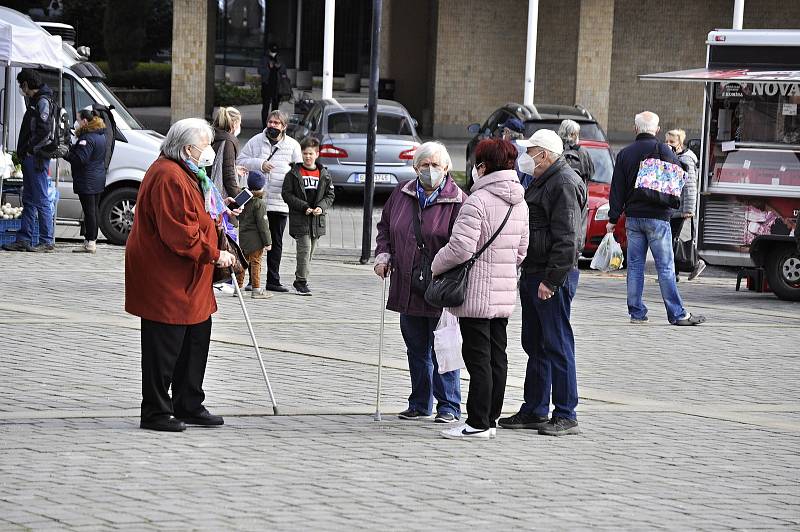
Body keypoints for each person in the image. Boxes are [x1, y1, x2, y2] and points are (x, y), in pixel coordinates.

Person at [125, 118, 236, 432]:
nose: (208, 153)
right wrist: (216, 254)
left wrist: (221, 210)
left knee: (196, 338)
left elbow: (197, 211)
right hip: (168, 277)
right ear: (188, 148)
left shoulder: (187, 171)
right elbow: (179, 234)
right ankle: (156, 411)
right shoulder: (168, 176)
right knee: (165, 346)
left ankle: (188, 402)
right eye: (204, 147)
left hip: (191, 279)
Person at [432, 139, 529, 440]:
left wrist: (436, 264)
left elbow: (461, 248)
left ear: (483, 166)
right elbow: (521, 251)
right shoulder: (520, 202)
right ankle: (491, 418)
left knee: (477, 358)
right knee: (497, 355)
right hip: (503, 292)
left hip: (475, 292)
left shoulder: (478, 201)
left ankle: (476, 423)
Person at [498, 129, 587, 437]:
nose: (527, 157)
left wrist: (552, 280)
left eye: (532, 151)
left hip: (551, 275)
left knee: (557, 344)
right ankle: (535, 409)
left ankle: (566, 412)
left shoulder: (563, 182)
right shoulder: (544, 179)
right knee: (535, 343)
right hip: (535, 271)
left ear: (546, 154)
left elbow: (568, 238)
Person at [374, 141, 465, 424]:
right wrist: (383, 254)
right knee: (416, 347)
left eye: (435, 165)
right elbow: (385, 228)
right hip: (407, 283)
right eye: (424, 165)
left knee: (444, 347)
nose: (430, 170)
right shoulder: (402, 193)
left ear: (447, 167)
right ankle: (419, 402)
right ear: (415, 167)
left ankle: (449, 405)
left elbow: (463, 242)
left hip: (441, 287)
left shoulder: (459, 199)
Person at [606, 111, 706, 327]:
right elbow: (678, 178)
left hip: (633, 217)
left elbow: (617, 189)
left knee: (634, 266)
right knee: (665, 267)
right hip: (658, 218)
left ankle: (637, 312)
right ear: (657, 130)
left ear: (635, 129)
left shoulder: (625, 154)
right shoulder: (664, 150)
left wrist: (613, 218)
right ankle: (677, 314)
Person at [237, 110, 302, 292]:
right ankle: (252, 280)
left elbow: (299, 171)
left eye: (277, 123)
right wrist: (259, 164)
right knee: (253, 242)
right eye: (270, 122)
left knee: (276, 242)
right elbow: (240, 160)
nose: (273, 125)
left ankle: (273, 279)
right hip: (257, 201)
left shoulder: (293, 145)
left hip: (280, 202)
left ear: (284, 127)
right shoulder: (256, 141)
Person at [2, 69, 56, 253]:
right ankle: (24, 239)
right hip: (32, 158)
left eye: (21, 85)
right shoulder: (37, 100)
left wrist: (31, 149)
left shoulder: (42, 101)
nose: (20, 89)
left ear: (26, 84)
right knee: (30, 199)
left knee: (40, 199)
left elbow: (44, 131)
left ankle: (46, 240)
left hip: (37, 158)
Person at [281, 137, 335, 296]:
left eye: (311, 153)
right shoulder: (293, 173)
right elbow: (287, 194)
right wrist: (304, 207)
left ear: (317, 154)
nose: (308, 157)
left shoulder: (324, 173)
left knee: (310, 252)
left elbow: (330, 195)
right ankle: (300, 282)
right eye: (305, 153)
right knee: (304, 251)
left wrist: (320, 207)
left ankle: (302, 279)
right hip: (300, 219)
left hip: (317, 221)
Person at [64, 107, 107, 254]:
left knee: (90, 211)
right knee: (93, 210)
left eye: (77, 120)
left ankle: (90, 242)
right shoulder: (100, 135)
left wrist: (66, 154)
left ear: (84, 121)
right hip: (97, 178)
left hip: (88, 179)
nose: (76, 123)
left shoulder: (87, 138)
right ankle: (90, 240)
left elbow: (80, 160)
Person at [665, 128, 705, 281]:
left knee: (676, 241)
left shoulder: (686, 159)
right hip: (673, 207)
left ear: (680, 143)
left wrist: (689, 210)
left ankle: (694, 264)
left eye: (672, 142)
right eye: (667, 141)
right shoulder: (674, 157)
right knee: (672, 240)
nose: (668, 144)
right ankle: (673, 273)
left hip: (681, 209)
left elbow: (690, 187)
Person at [236, 171, 272, 299]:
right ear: (262, 186)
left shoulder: (242, 199)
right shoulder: (259, 203)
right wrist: (268, 242)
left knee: (242, 262)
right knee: (256, 263)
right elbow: (263, 225)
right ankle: (256, 289)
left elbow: (237, 215)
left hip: (243, 238)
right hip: (256, 240)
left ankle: (238, 288)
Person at [210, 106, 244, 199]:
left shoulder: (212, 135)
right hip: (219, 195)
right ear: (235, 123)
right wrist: (238, 198)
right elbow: (228, 174)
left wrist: (234, 169)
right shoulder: (228, 142)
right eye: (240, 123)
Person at [258, 43, 288, 128]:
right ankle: (264, 126)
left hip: (277, 87)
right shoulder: (264, 59)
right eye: (272, 51)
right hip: (267, 86)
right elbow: (260, 71)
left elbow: (284, 71)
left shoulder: (279, 59)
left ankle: (274, 124)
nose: (273, 53)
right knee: (265, 106)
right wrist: (269, 68)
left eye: (275, 51)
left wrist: (278, 67)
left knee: (275, 108)